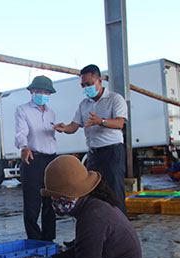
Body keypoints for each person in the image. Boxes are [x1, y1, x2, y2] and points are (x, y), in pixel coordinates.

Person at [24, 155, 141, 258]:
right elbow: (82, 250)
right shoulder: (93, 205)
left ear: (68, 194)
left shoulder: (93, 216)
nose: (54, 202)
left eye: (56, 197)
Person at [54, 64, 128, 215]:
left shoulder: (115, 99)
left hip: (112, 152)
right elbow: (74, 126)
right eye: (83, 85)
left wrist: (101, 121)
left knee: (114, 194)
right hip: (94, 155)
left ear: (99, 81)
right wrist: (64, 128)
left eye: (89, 84)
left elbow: (120, 123)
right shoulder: (84, 104)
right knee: (94, 194)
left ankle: (120, 230)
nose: (86, 88)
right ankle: (100, 227)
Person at [15, 75, 59, 241]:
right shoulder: (22, 110)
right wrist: (24, 147)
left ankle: (49, 239)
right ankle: (34, 240)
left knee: (50, 202)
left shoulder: (51, 113)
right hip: (33, 159)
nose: (42, 94)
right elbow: (21, 132)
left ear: (50, 94)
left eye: (46, 92)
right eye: (39, 90)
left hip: (51, 160)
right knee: (32, 203)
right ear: (32, 91)